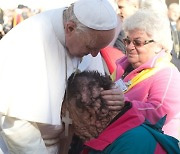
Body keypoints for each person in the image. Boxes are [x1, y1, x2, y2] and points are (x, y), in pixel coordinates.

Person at [0, 0, 123, 153]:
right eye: (91, 48)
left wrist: (115, 93)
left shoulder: (87, 36)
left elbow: (97, 85)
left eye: (99, 49)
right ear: (70, 28)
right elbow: (16, 126)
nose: (94, 55)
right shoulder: (27, 42)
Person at [62, 70, 180, 154]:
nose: (70, 125)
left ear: (89, 115)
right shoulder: (125, 134)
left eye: (70, 117)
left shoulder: (132, 145)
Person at [111, 8, 180, 140]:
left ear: (159, 46)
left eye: (138, 42)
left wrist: (120, 104)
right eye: (127, 41)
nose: (130, 47)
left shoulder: (167, 73)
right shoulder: (122, 66)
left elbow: (159, 112)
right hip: (119, 140)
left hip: (148, 145)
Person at [168, 3, 180, 71]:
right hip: (172, 62)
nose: (176, 14)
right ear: (168, 11)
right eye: (174, 12)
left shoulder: (176, 27)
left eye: (178, 12)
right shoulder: (164, 26)